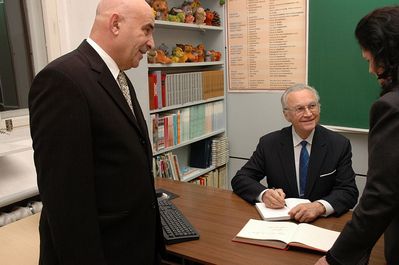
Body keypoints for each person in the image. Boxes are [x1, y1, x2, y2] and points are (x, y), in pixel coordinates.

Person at [29, 0, 165, 264]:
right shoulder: (62, 80)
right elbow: (67, 207)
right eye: (147, 30)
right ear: (115, 24)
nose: (152, 43)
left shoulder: (118, 77)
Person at [316, 6, 399, 265]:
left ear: (384, 52)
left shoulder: (391, 106)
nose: (371, 70)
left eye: (369, 60)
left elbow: (380, 197)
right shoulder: (271, 142)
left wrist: (335, 259)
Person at [231, 84, 359, 223]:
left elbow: (348, 191)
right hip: (282, 222)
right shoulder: (269, 143)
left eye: (312, 106)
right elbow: (241, 179)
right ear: (286, 115)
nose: (309, 114)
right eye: (299, 109)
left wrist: (319, 206)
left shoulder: (338, 144)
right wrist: (264, 194)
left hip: (321, 222)